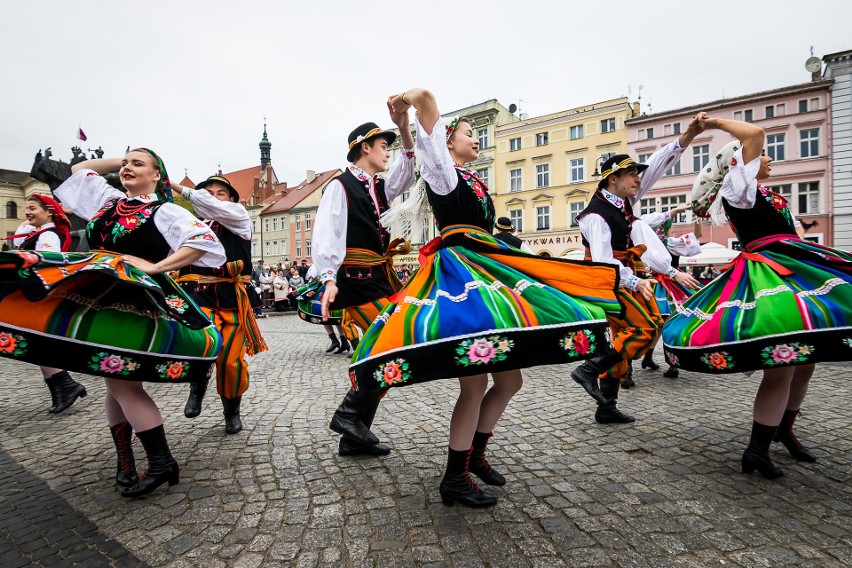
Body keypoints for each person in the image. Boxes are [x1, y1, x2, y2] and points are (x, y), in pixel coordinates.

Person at [349, 88, 623, 508]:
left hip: (488, 266)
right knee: (474, 387)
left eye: (477, 134)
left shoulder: (473, 178)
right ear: (447, 142)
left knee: (509, 380)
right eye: (468, 134)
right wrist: (407, 104)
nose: (476, 139)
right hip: (463, 276)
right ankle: (454, 476)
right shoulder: (443, 173)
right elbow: (426, 104)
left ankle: (475, 456)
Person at [663, 117, 852, 479]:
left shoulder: (763, 193)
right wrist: (710, 123)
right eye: (763, 156)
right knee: (782, 363)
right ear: (739, 162)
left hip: (793, 264)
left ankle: (783, 430)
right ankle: (757, 449)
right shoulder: (740, 188)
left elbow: (791, 231)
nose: (769, 160)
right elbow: (754, 134)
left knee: (805, 360)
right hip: (769, 273)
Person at [33, 148, 224, 498]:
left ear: (157, 175)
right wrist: (122, 157)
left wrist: (154, 267)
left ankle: (162, 462)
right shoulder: (108, 202)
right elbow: (79, 169)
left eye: (137, 164)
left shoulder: (163, 210)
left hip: (134, 301)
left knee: (123, 384)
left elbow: (204, 241)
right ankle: (125, 460)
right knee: (113, 380)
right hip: (102, 296)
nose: (126, 169)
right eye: (124, 165)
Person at [574, 113, 707, 421]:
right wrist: (635, 281)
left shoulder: (622, 200)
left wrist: (686, 137)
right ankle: (588, 369)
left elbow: (659, 164)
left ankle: (606, 407)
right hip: (603, 280)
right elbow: (604, 261)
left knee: (626, 335)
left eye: (636, 173)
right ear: (613, 179)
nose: (638, 179)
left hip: (617, 278)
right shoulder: (596, 216)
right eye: (632, 174)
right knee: (646, 327)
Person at [314, 100, 416, 457]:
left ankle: (353, 434)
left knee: (383, 351)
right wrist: (329, 279)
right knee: (390, 346)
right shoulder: (340, 186)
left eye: (389, 146)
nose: (387, 152)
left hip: (378, 278)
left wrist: (403, 128)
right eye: (383, 146)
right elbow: (327, 233)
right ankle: (348, 415)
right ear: (364, 148)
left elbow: (407, 170)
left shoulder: (376, 188)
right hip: (355, 282)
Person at [172, 174, 268, 435]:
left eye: (221, 193)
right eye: (209, 192)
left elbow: (212, 206)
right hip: (198, 296)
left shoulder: (238, 218)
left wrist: (175, 185)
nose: (214, 197)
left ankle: (231, 409)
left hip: (232, 298)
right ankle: (197, 385)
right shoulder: (191, 225)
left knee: (230, 361)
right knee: (199, 347)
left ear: (233, 200)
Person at [5, 194, 87, 413]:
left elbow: (46, 262)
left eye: (32, 208)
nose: (27, 212)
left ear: (49, 211)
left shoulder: (49, 235)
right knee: (32, 342)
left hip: (37, 294)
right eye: (26, 208)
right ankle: (64, 386)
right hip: (31, 293)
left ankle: (66, 385)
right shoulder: (37, 233)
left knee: (32, 340)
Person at [635, 204, 703, 378]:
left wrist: (697, 218)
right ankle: (661, 360)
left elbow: (697, 236)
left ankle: (660, 360)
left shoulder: (670, 243)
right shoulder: (648, 245)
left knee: (664, 323)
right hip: (660, 284)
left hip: (671, 284)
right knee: (662, 324)